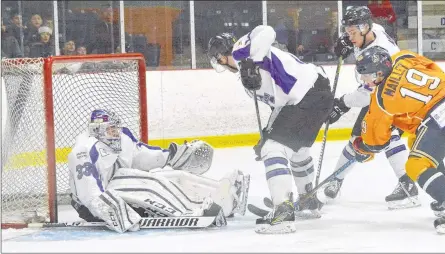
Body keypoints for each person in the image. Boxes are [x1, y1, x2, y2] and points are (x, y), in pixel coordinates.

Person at [207, 25, 333, 234]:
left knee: (273, 149)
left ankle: (283, 212)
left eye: (218, 59)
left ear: (221, 56)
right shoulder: (248, 82)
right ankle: (308, 201)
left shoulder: (241, 51)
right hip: (312, 95)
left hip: (308, 94)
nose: (221, 64)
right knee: (296, 149)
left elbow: (266, 31)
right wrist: (267, 132)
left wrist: (250, 63)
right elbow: (280, 108)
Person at [351, 46, 445, 233]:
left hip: (442, 116)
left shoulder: (381, 100)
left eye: (365, 74)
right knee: (418, 143)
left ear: (378, 73)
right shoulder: (403, 57)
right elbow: (432, 69)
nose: (362, 79)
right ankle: (443, 187)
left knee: (415, 165)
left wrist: (362, 148)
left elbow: (377, 143)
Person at [68, 109, 250, 233]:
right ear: (97, 130)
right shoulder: (83, 151)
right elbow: (89, 194)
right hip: (95, 207)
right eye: (110, 130)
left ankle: (223, 197)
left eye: (116, 129)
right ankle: (190, 213)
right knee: (141, 182)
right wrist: (116, 214)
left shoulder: (122, 139)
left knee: (169, 177)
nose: (116, 133)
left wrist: (171, 156)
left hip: (119, 189)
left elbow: (140, 156)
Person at [324, 6, 418, 210]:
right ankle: (336, 180)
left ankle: (408, 185)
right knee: (356, 138)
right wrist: (348, 40)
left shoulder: (381, 50)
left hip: (394, 97)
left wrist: (342, 104)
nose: (350, 37)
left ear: (365, 27)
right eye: (348, 32)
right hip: (382, 94)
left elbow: (368, 93)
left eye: (353, 33)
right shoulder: (372, 30)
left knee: (389, 136)